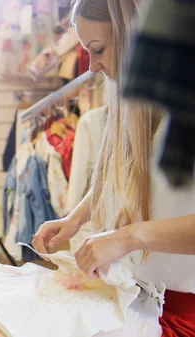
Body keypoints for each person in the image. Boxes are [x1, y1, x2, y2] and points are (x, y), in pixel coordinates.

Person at [31, 0, 195, 336]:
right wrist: (74, 219)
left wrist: (127, 238)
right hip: (134, 293)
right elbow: (124, 173)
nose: (93, 66)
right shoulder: (130, 103)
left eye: (99, 49)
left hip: (181, 307)